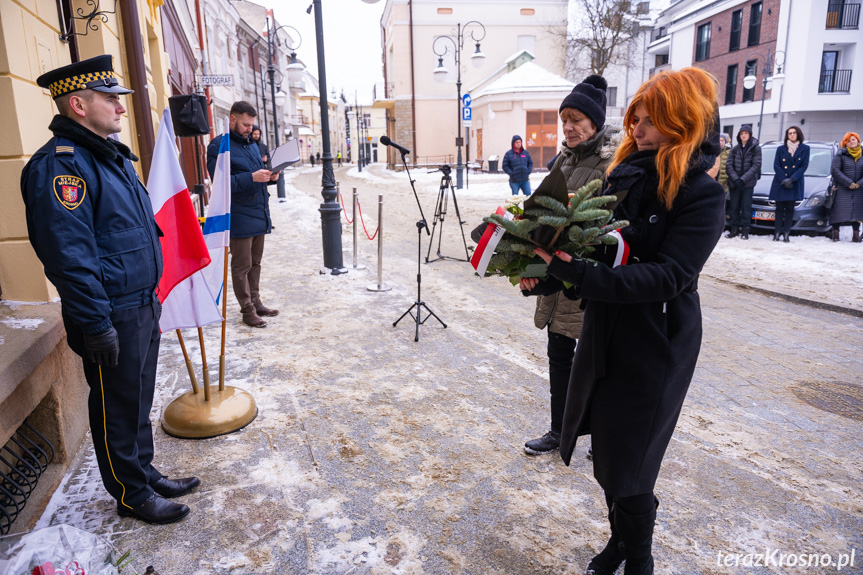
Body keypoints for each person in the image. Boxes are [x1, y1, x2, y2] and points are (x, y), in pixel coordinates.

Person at [526, 67, 725, 574]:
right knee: (610, 455)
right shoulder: (624, 175)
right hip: (607, 328)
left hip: (657, 339)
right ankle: (621, 542)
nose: (636, 130)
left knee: (632, 464)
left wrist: (583, 275)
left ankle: (637, 557)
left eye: (649, 121)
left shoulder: (702, 193)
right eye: (635, 119)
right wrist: (547, 276)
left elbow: (671, 275)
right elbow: (587, 249)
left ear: (682, 122)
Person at [20, 55, 199, 524]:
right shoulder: (60, 168)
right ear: (78, 104)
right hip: (110, 312)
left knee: (138, 397)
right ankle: (131, 493)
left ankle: (142, 470)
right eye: (111, 99)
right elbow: (70, 257)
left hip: (140, 302)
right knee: (116, 406)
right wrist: (97, 323)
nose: (121, 108)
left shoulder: (111, 156)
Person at [519, 75, 617, 456]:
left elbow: (610, 219)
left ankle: (603, 435)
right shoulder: (563, 159)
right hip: (557, 271)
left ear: (595, 122)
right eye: (564, 120)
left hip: (589, 276)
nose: (569, 127)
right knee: (559, 355)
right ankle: (560, 431)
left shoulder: (613, 160)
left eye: (576, 119)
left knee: (597, 361)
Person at [207, 101, 279, 328]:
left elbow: (258, 175)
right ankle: (247, 310)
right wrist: (252, 178)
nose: (250, 129)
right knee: (241, 266)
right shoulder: (219, 146)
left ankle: (256, 302)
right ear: (232, 120)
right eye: (246, 124)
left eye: (252, 125)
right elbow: (219, 184)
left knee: (255, 263)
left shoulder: (252, 145)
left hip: (259, 212)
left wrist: (271, 177)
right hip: (238, 216)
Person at [768, 126, 809, 242]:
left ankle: (786, 233)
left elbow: (804, 166)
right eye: (789, 133)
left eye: (794, 133)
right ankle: (777, 233)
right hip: (780, 182)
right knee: (779, 209)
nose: (792, 135)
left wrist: (791, 179)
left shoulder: (805, 148)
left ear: (798, 134)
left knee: (790, 209)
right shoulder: (781, 149)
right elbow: (776, 165)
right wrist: (784, 179)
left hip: (795, 182)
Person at [725, 124, 761, 240]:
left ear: (750, 135)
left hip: (748, 183)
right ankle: (734, 229)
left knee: (746, 207)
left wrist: (743, 179)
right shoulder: (735, 149)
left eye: (746, 133)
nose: (744, 135)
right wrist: (735, 179)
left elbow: (756, 165)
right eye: (742, 133)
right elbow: (729, 165)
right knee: (734, 206)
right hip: (734, 183)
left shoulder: (756, 148)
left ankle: (745, 229)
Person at [829, 132, 863, 242]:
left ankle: (856, 235)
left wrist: (859, 183)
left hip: (859, 188)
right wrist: (849, 183)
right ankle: (835, 234)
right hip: (842, 187)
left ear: (858, 141)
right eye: (848, 140)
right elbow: (835, 170)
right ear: (845, 143)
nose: (851, 142)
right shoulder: (840, 154)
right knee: (838, 212)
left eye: (853, 139)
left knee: (857, 212)